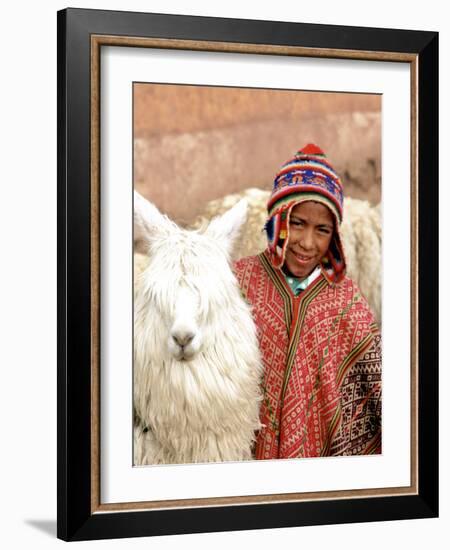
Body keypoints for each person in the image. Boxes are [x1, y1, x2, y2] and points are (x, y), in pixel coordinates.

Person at [234, 144, 382, 459]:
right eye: (297, 223)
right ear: (277, 220)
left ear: (335, 237)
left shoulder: (346, 302)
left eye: (322, 230)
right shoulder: (239, 282)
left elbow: (378, 387)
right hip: (243, 458)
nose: (307, 242)